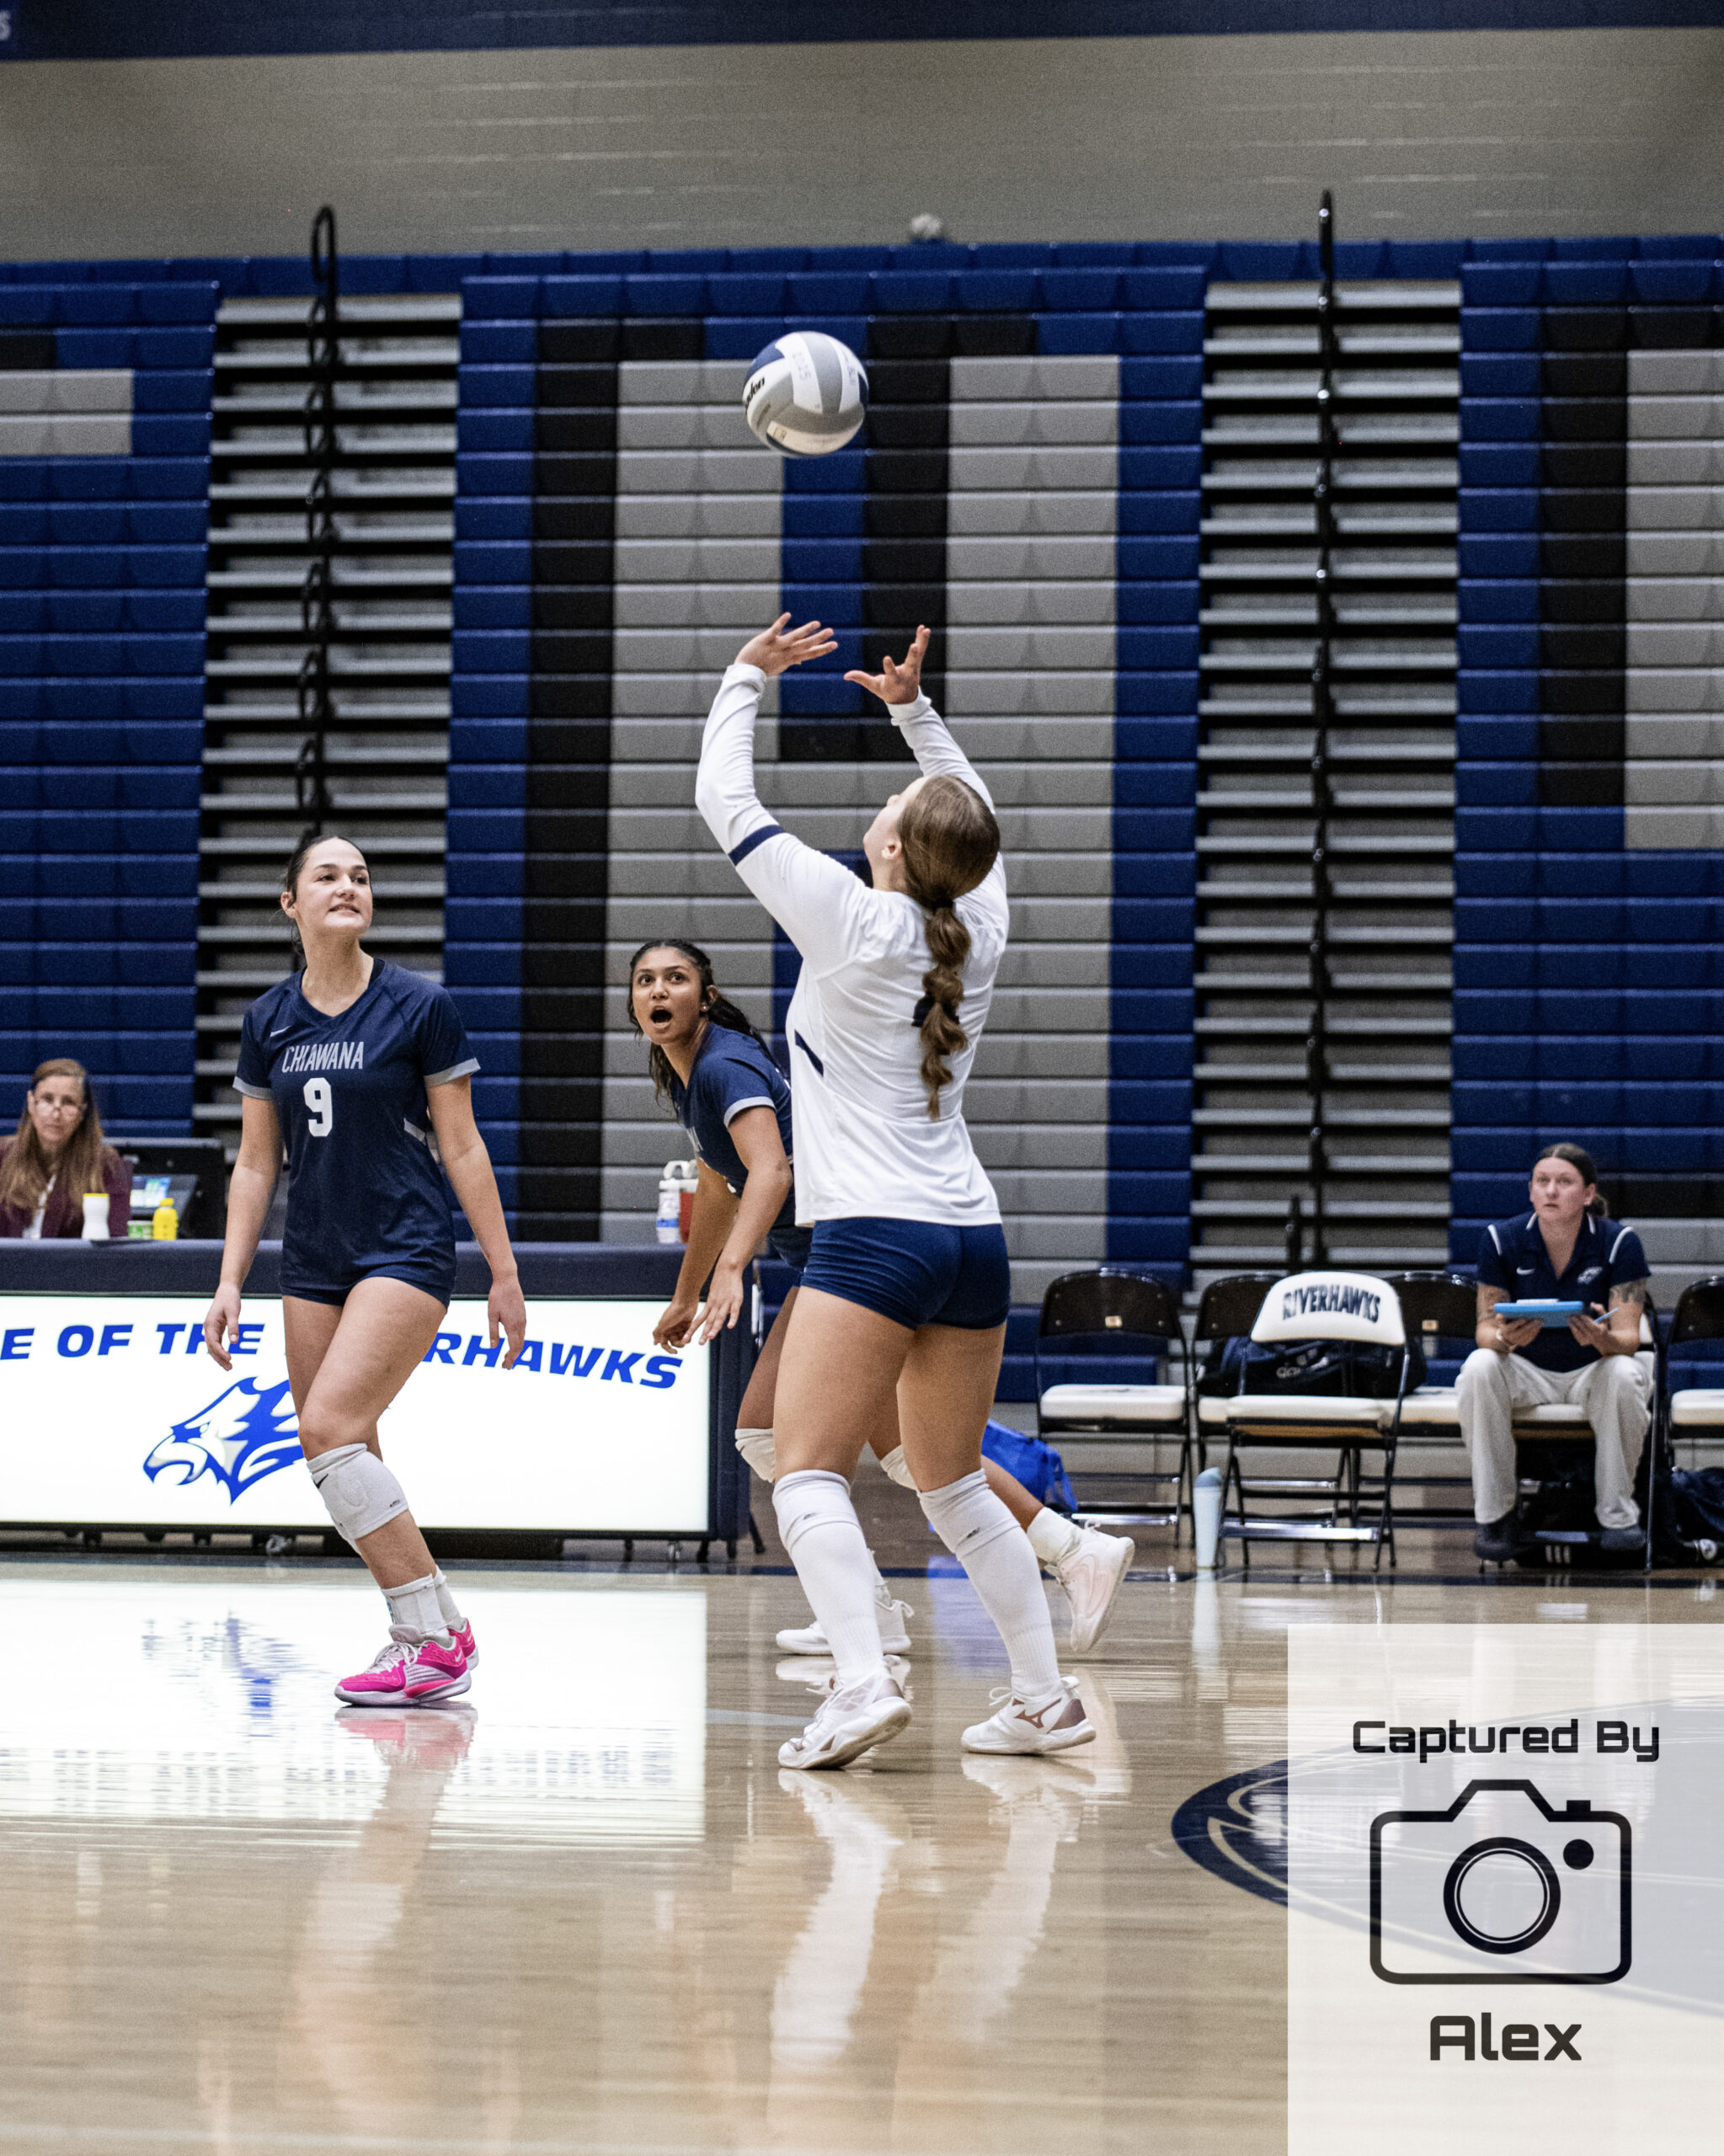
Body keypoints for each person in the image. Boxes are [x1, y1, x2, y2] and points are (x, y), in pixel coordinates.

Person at [697, 615, 1096, 1769]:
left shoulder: (851, 917)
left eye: (893, 803)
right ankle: (1042, 1699)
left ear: (890, 845)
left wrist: (744, 676)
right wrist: (913, 715)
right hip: (973, 1238)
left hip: (874, 1237)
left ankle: (862, 1683)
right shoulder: (982, 921)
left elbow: (725, 798)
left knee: (801, 1469)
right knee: (954, 1482)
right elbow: (971, 810)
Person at [627, 938, 1133, 1658]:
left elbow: (770, 1171)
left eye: (675, 978)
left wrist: (732, 1268)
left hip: (852, 1255)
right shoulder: (689, 1073)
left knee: (782, 1439)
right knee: (902, 1451)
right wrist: (689, 1291)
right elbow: (716, 1183)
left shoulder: (723, 1064)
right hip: (847, 1253)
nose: (658, 990)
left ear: (705, 997)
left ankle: (892, 1615)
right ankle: (1061, 1551)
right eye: (645, 980)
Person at [201, 833, 526, 1703]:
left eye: (361, 876)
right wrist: (230, 1278)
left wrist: (502, 1271)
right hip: (313, 1257)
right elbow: (255, 1163)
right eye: (327, 876)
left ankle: (437, 1640)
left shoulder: (419, 1004)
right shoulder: (267, 1019)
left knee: (326, 1426)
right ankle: (429, 1627)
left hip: (403, 1247)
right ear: (291, 903)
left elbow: (462, 1145)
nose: (348, 886)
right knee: (346, 1452)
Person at [1459, 1142, 1652, 1563]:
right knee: (1479, 1366)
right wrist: (1506, 1338)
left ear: (1588, 1194)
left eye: (1564, 1182)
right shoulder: (1500, 1239)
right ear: (1530, 1191)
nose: (1551, 1191)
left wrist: (1601, 1338)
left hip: (1594, 1370)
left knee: (1625, 1372)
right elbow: (1485, 1331)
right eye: (1542, 1181)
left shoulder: (1620, 1242)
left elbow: (1628, 1340)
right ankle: (1496, 1516)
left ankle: (1618, 1517)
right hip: (1527, 1370)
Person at [0, 1059, 132, 1239]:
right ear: (31, 1102)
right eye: (47, 1099)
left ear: (82, 1112)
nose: (56, 1114)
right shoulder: (3, 1154)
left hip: (72, 1259)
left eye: (68, 1102)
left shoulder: (107, 1164)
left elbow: (118, 1240)